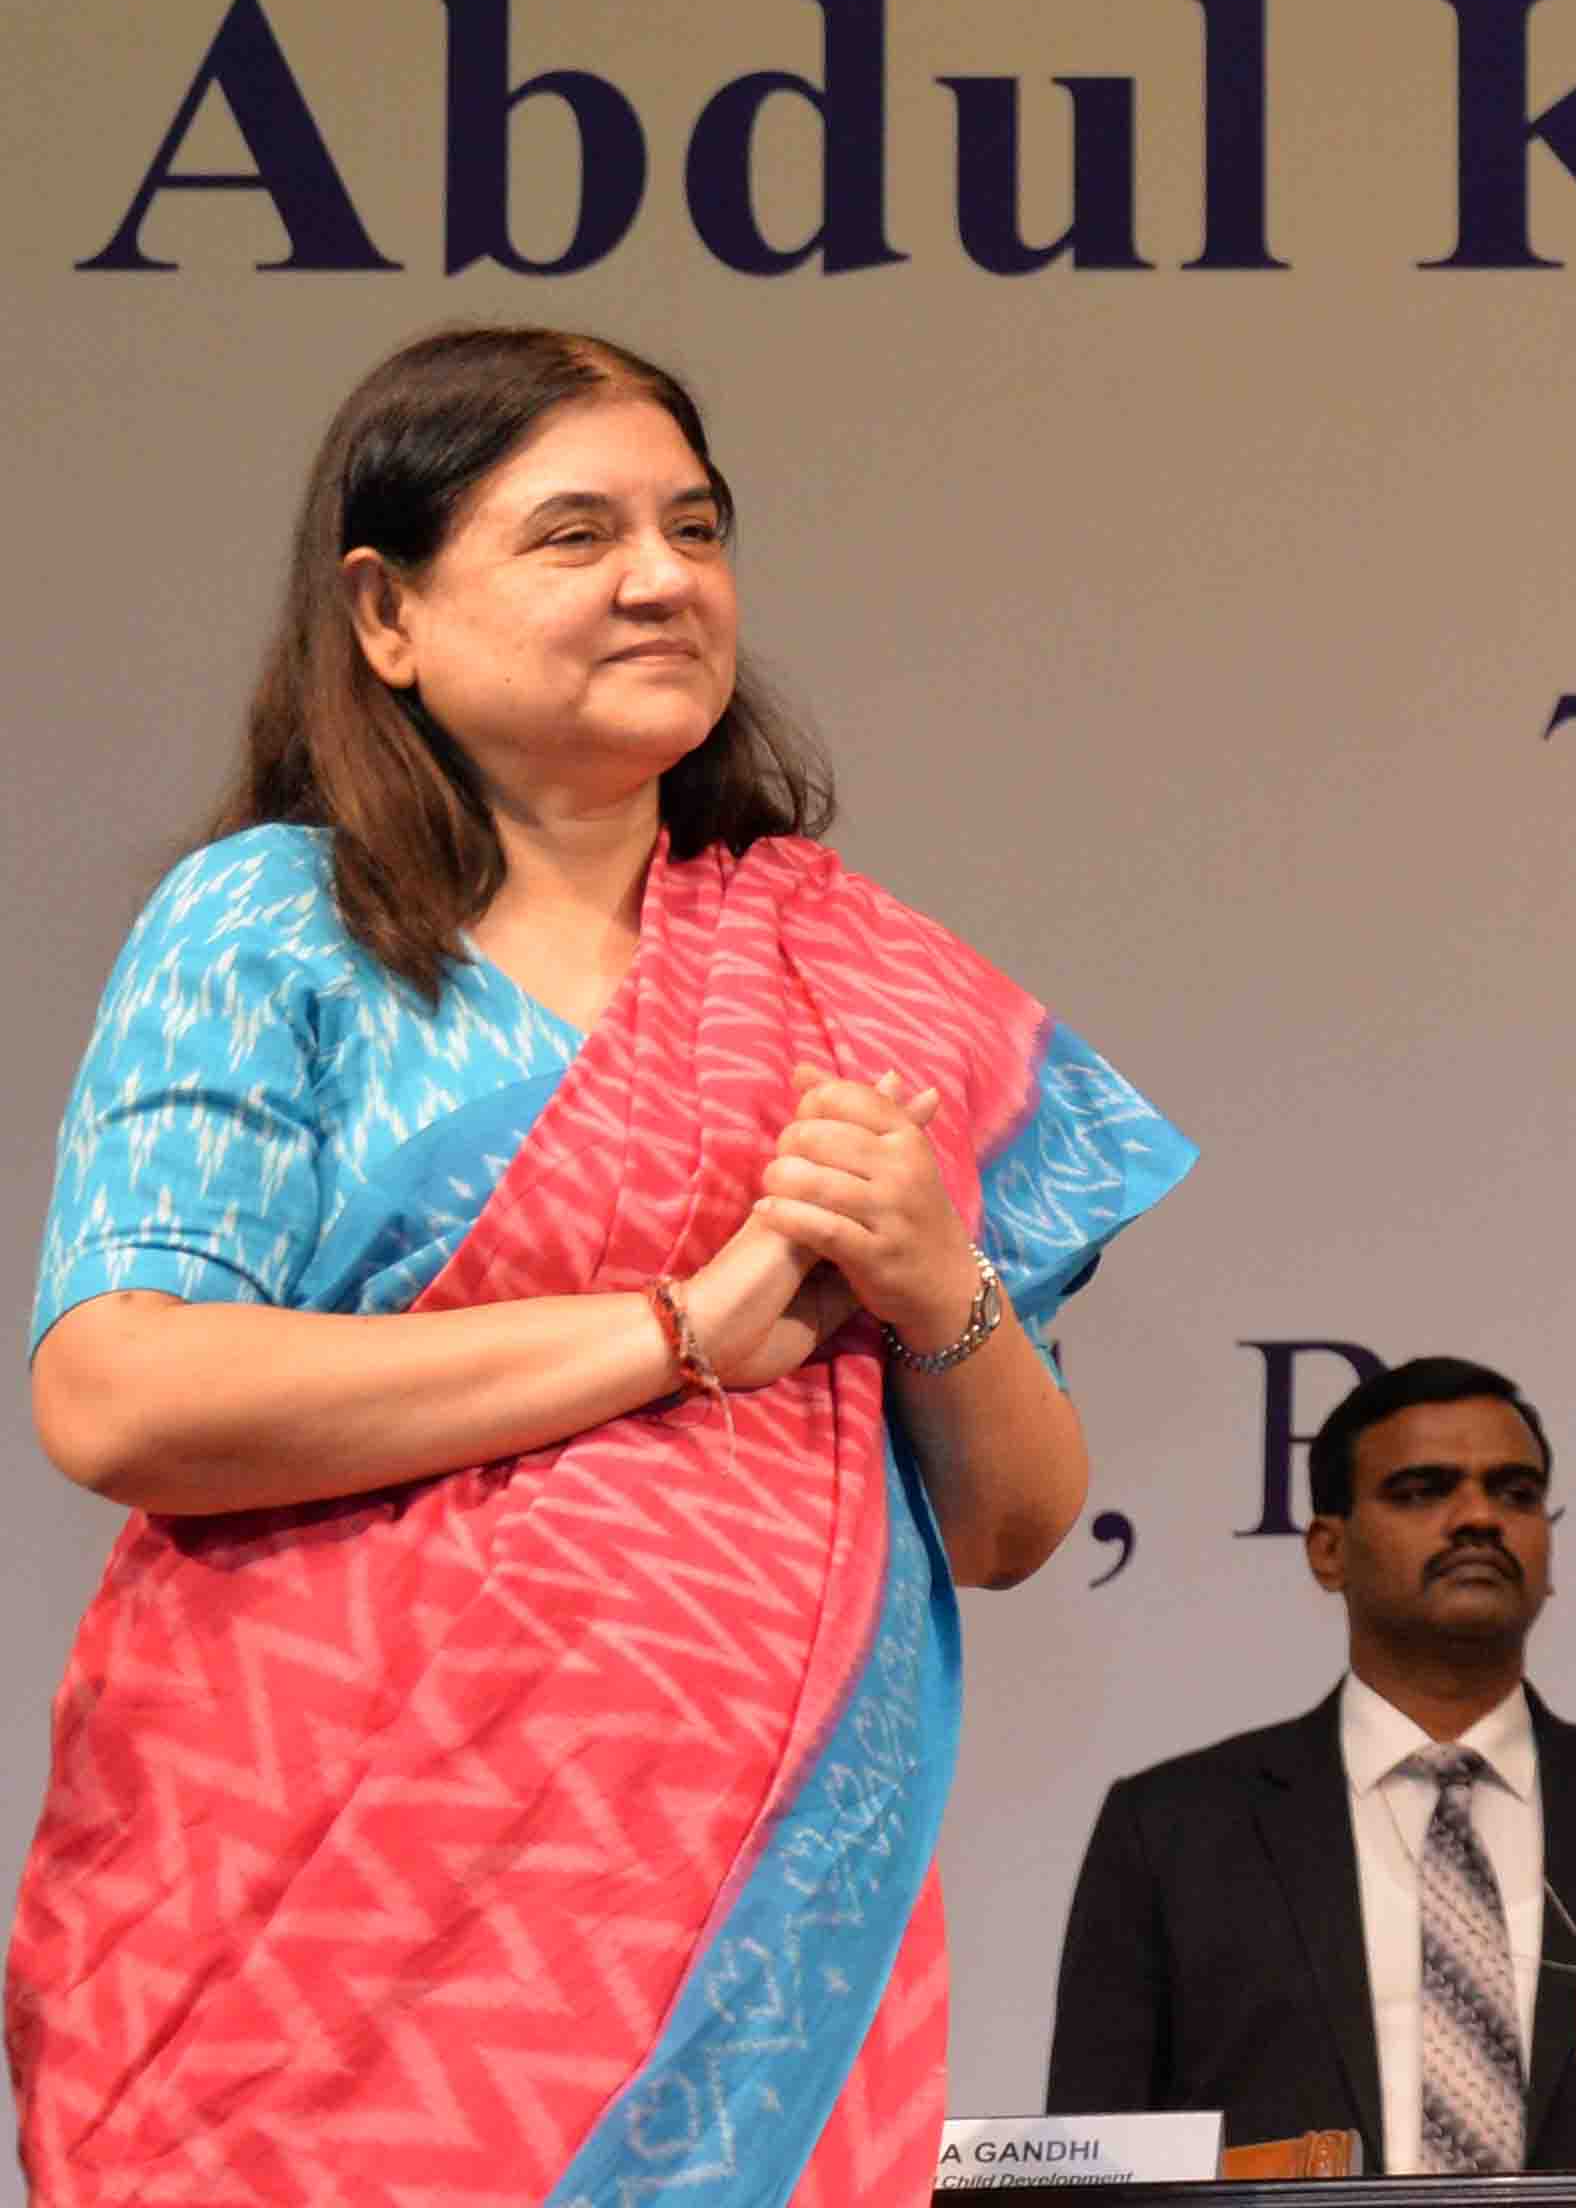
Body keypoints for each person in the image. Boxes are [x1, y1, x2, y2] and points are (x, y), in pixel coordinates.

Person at [11, 325, 1193, 2208]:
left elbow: (1004, 1525)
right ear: (386, 614)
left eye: (697, 527)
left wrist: (936, 1281)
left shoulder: (850, 976)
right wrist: (670, 1330)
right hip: (329, 1938)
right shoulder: (273, 924)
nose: (664, 577)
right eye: (574, 534)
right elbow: (122, 1390)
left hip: (761, 1933)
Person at [1051, 1356, 1576, 2176]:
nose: (1478, 1517)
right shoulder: (1171, 1833)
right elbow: (1091, 2171)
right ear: (1329, 1550)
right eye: (1422, 1491)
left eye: (1514, 1493)